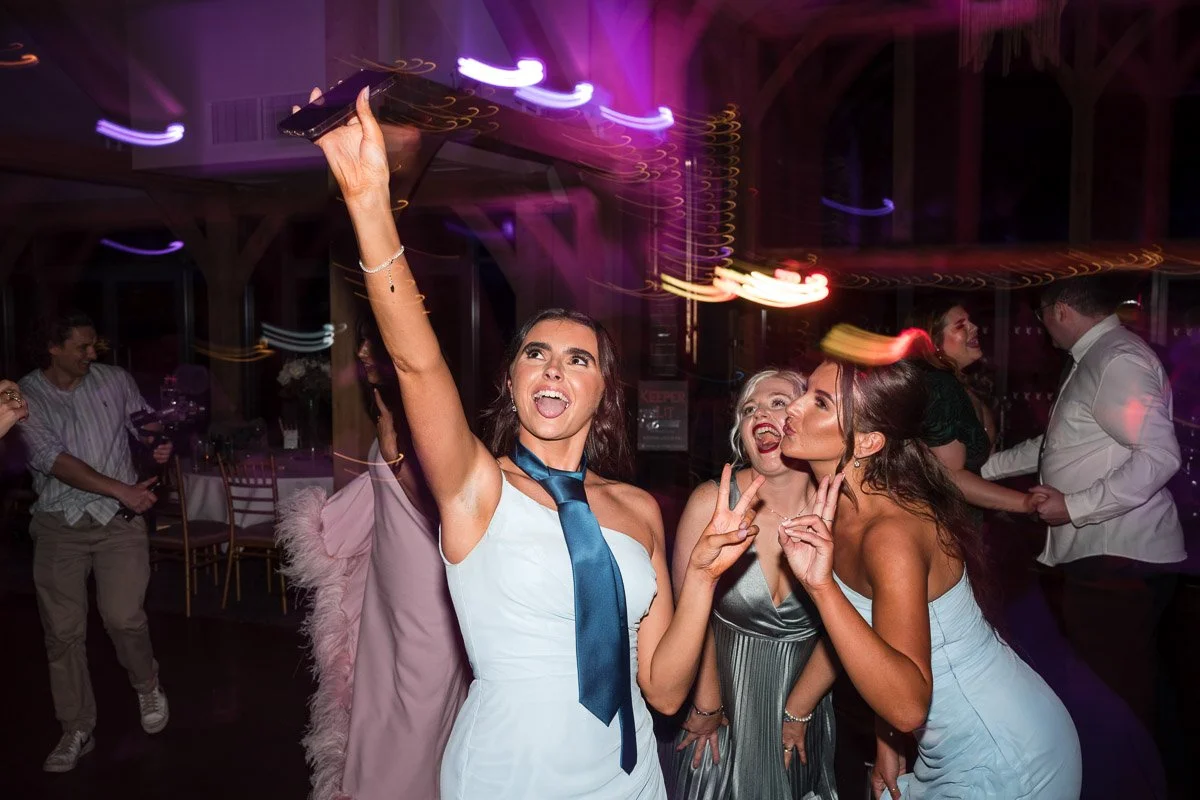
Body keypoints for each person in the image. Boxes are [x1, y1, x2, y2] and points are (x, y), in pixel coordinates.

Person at [306, 85, 764, 798]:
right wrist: (370, 206)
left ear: (602, 392)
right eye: (536, 354)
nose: (555, 367)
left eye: (578, 359)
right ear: (513, 382)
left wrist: (703, 577)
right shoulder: (475, 488)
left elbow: (665, 691)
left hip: (628, 778)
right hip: (505, 776)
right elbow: (416, 362)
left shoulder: (639, 508)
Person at [776, 353, 1081, 799]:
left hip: (1004, 753)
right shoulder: (840, 506)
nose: (794, 408)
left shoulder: (891, 535)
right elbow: (882, 639)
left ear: (867, 443)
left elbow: (907, 706)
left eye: (820, 403)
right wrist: (886, 741)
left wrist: (820, 588)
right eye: (804, 392)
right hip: (951, 745)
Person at [982, 275, 1185, 732]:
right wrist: (984, 471)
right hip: (1109, 558)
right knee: (1131, 686)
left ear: (1060, 311)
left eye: (1041, 316)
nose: (1041, 328)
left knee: (1117, 696)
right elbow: (1057, 444)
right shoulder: (1098, 356)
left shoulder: (1116, 360)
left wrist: (1075, 506)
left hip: (1119, 559)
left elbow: (1160, 455)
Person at [278, 318, 469, 800]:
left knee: (415, 722)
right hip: (391, 593)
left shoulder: (434, 416)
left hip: (430, 603)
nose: (361, 352)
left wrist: (397, 461)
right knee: (378, 714)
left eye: (372, 342)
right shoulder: (391, 408)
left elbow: (450, 510)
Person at [670, 369, 837, 800]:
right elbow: (689, 615)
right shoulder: (711, 503)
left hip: (806, 704)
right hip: (725, 708)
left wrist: (799, 712)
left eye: (778, 402)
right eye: (749, 409)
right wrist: (707, 702)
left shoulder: (841, 512)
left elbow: (856, 623)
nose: (760, 413)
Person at [16, 312, 172, 773]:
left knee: (124, 618)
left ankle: (147, 685)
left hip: (117, 524)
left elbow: (143, 423)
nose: (92, 353)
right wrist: (123, 488)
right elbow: (54, 460)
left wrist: (155, 439)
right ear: (53, 347)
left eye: (93, 346)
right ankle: (76, 729)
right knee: (63, 635)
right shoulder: (23, 396)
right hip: (58, 524)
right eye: (82, 346)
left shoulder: (115, 380)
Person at [907, 300, 1044, 515]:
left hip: (963, 521)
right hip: (940, 521)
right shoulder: (939, 386)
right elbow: (951, 476)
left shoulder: (962, 386)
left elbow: (979, 468)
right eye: (961, 325)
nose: (975, 328)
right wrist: (1025, 502)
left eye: (970, 321)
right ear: (933, 341)